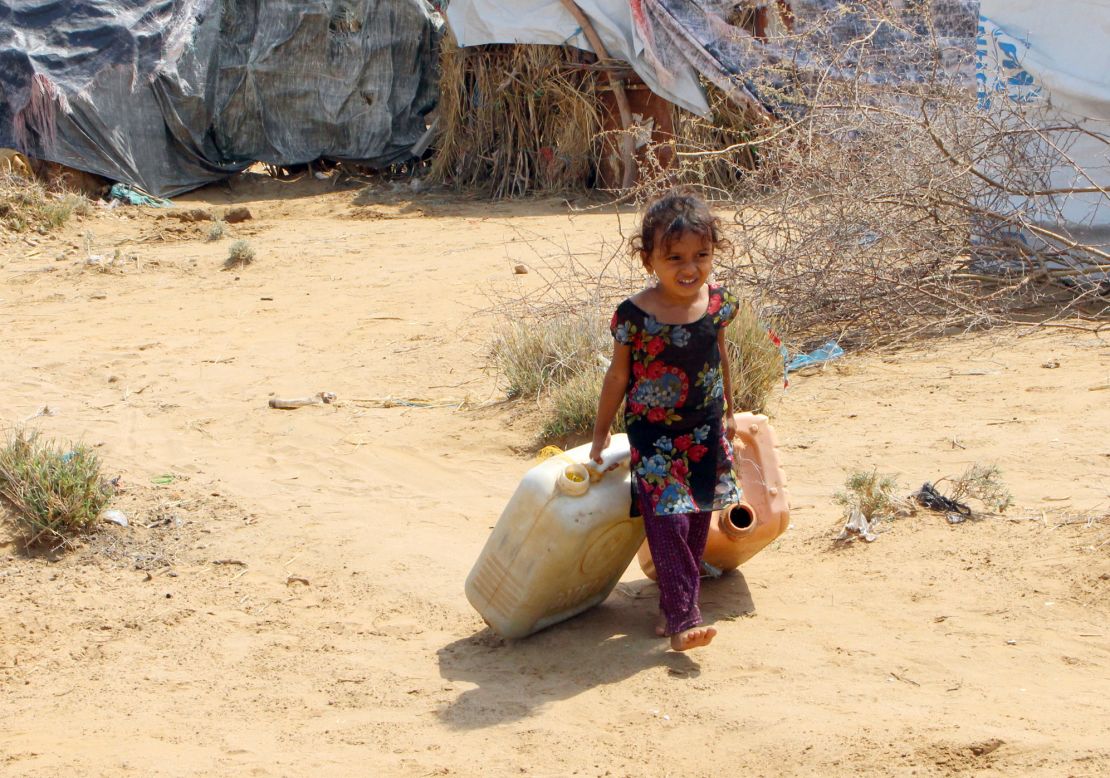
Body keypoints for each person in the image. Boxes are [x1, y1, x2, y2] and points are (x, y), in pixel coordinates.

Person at [589, 189, 741, 652]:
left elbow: (721, 357)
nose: (689, 268)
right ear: (648, 259)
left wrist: (731, 411)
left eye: (701, 255)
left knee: (697, 516)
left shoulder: (717, 304)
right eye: (673, 257)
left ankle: (674, 606)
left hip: (705, 429)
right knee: (667, 521)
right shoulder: (634, 316)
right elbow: (618, 376)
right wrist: (600, 434)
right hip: (654, 436)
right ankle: (683, 620)